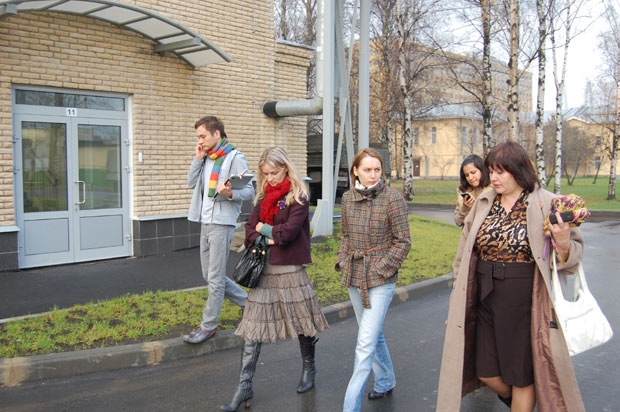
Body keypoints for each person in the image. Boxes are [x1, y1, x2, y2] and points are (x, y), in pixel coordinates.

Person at [437, 141, 586, 412]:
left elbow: (573, 258)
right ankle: (523, 400)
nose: (492, 177)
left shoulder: (547, 203)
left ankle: (524, 399)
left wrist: (563, 241)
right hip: (484, 293)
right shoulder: (484, 202)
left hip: (524, 298)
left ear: (519, 171)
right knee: (486, 371)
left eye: (500, 172)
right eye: (491, 170)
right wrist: (456, 300)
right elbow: (463, 256)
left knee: (521, 373)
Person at [220, 146, 328, 411]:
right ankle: (244, 386)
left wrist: (265, 231)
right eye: (265, 173)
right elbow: (248, 232)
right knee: (252, 329)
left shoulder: (299, 195)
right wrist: (267, 235)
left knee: (303, 323)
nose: (269, 178)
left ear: (286, 168)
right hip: (263, 271)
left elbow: (288, 234)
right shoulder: (263, 196)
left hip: (290, 270)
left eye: (274, 172)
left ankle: (309, 369)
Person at [337, 148, 412, 412]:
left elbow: (403, 241)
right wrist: (342, 259)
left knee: (364, 343)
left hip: (381, 278)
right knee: (372, 333)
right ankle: (385, 380)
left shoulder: (393, 198)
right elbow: (345, 235)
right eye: (367, 169)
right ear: (355, 170)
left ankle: (350, 407)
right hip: (355, 274)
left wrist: (382, 269)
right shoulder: (347, 198)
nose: (372, 175)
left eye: (377, 169)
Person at [184, 116, 254, 344]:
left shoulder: (235, 158)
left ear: (217, 134)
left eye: (203, 136)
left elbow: (249, 192)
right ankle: (248, 302)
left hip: (222, 223)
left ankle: (208, 326)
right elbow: (191, 182)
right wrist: (197, 158)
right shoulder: (206, 158)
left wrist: (230, 193)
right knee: (209, 275)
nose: (200, 141)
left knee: (214, 277)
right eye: (198, 137)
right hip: (205, 222)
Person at [454, 154, 491, 227]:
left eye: (473, 172)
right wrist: (465, 208)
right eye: (467, 175)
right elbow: (458, 222)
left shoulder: (494, 189)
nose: (470, 177)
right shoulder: (464, 192)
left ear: (482, 170)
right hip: (469, 237)